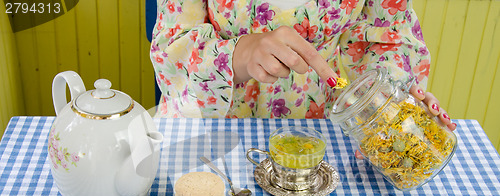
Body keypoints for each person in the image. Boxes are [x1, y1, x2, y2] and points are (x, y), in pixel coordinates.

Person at [150, 0, 456, 132]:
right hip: (211, 126)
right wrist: (239, 55)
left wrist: (387, 102)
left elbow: (388, 36)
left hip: (329, 118)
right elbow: (170, 48)